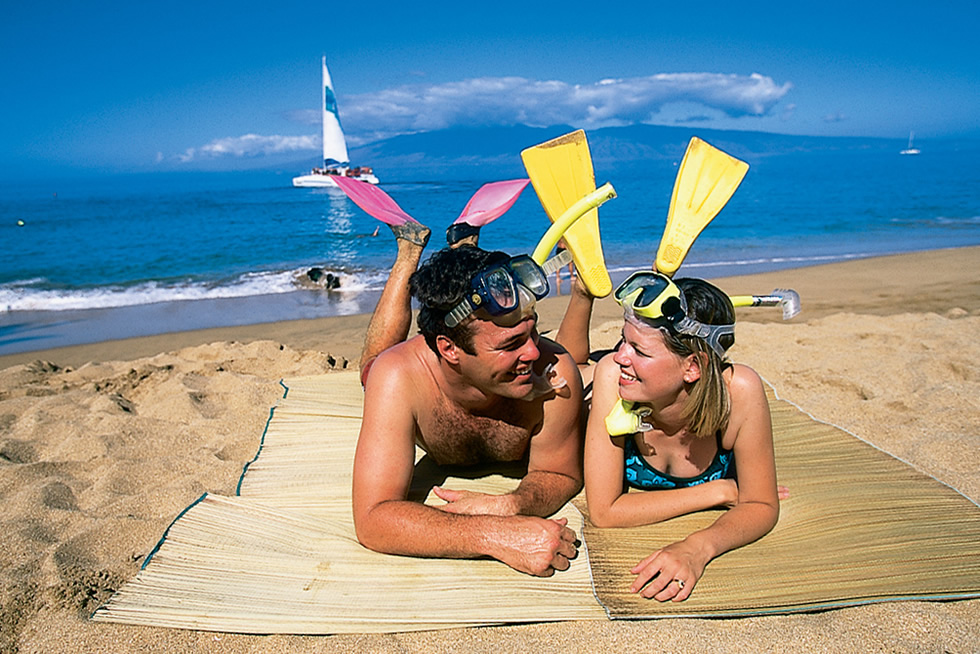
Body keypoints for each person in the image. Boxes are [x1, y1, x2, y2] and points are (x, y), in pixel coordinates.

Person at [352, 220, 584, 577]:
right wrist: (493, 535)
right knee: (373, 366)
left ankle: (464, 251)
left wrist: (516, 504)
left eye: (533, 331)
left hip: (454, 357)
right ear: (449, 349)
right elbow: (373, 517)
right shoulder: (400, 378)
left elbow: (560, 472)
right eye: (511, 345)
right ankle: (408, 254)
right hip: (416, 366)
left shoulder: (554, 373)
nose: (534, 353)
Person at [584, 271, 783, 601]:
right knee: (578, 369)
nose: (621, 356)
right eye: (623, 340)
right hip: (590, 388)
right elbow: (605, 512)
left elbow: (761, 505)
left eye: (639, 350)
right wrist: (718, 491)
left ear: (693, 366)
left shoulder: (740, 393)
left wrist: (698, 547)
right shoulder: (612, 376)